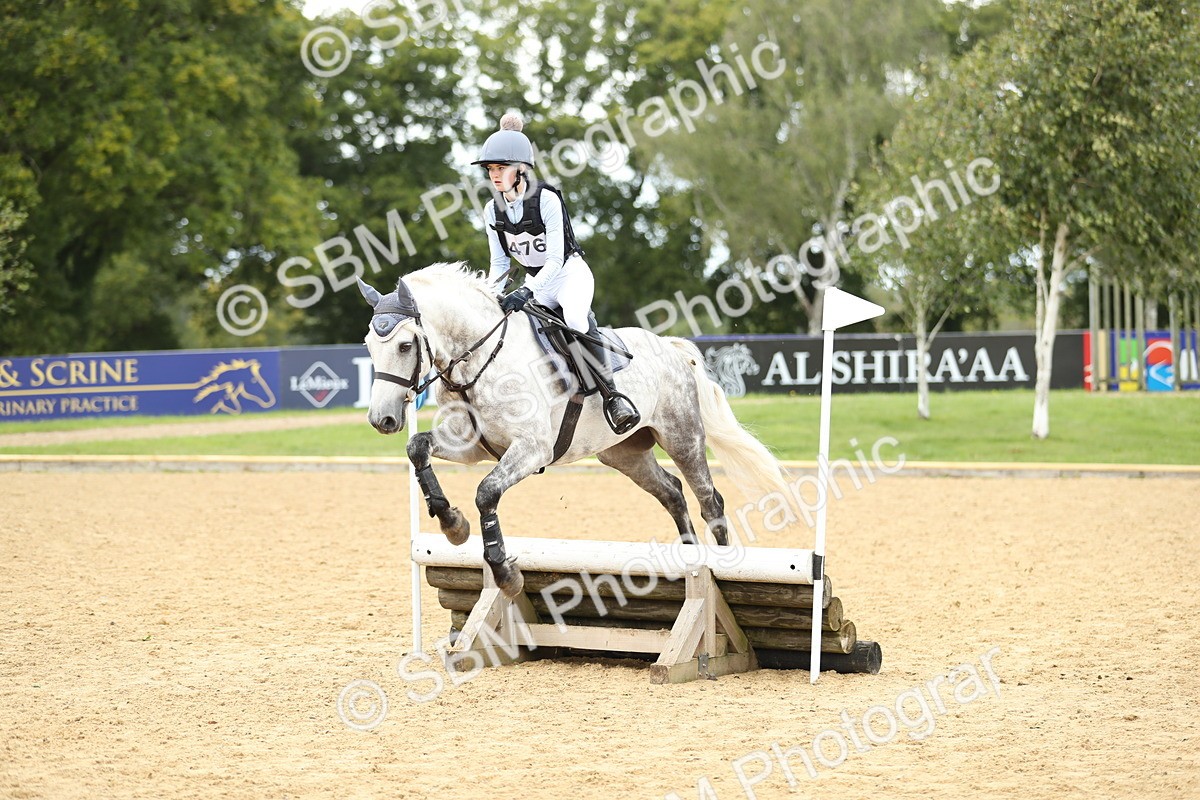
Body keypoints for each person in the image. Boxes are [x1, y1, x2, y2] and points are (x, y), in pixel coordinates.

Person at [473, 112, 640, 434]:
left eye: (501, 168)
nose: (494, 175)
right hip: (536, 284)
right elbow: (499, 264)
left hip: (567, 274)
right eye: (491, 169)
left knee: (575, 320)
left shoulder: (546, 198)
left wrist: (527, 291)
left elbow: (554, 258)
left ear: (520, 169)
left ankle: (612, 396)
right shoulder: (492, 210)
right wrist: (488, 294)